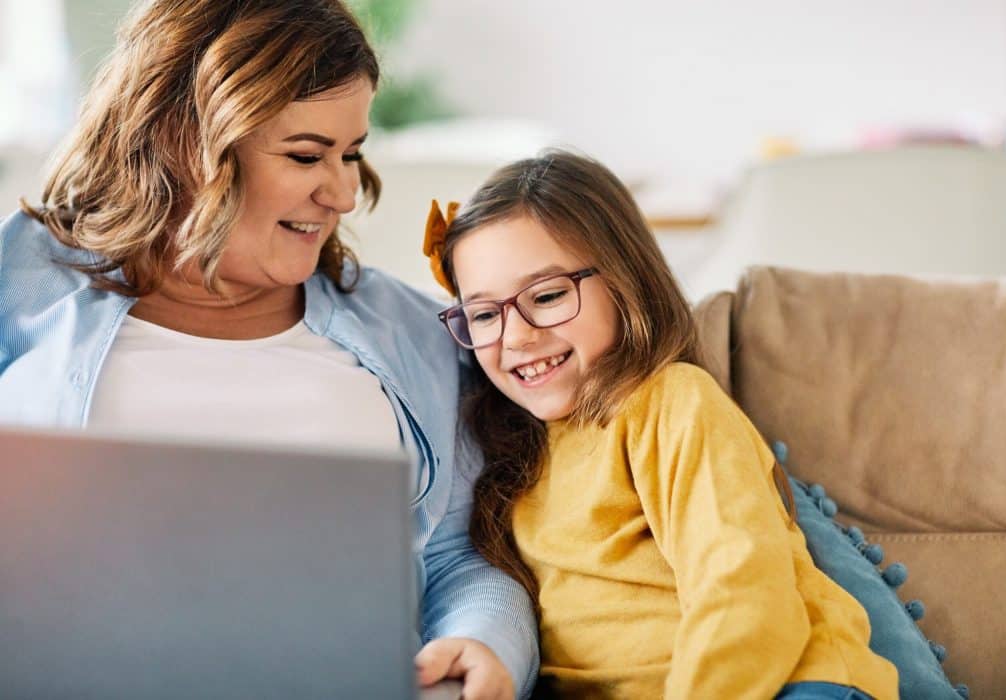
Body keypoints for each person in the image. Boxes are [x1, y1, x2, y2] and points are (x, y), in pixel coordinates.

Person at [0, 1, 537, 698]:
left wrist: (485, 645)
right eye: (307, 155)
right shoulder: (25, 288)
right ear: (180, 139)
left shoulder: (420, 334)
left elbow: (463, 556)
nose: (344, 192)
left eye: (352, 154)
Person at [423, 149, 900, 699]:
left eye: (549, 295)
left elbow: (743, 591)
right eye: (484, 313)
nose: (516, 336)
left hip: (789, 682)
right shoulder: (515, 452)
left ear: (625, 282)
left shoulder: (671, 402)